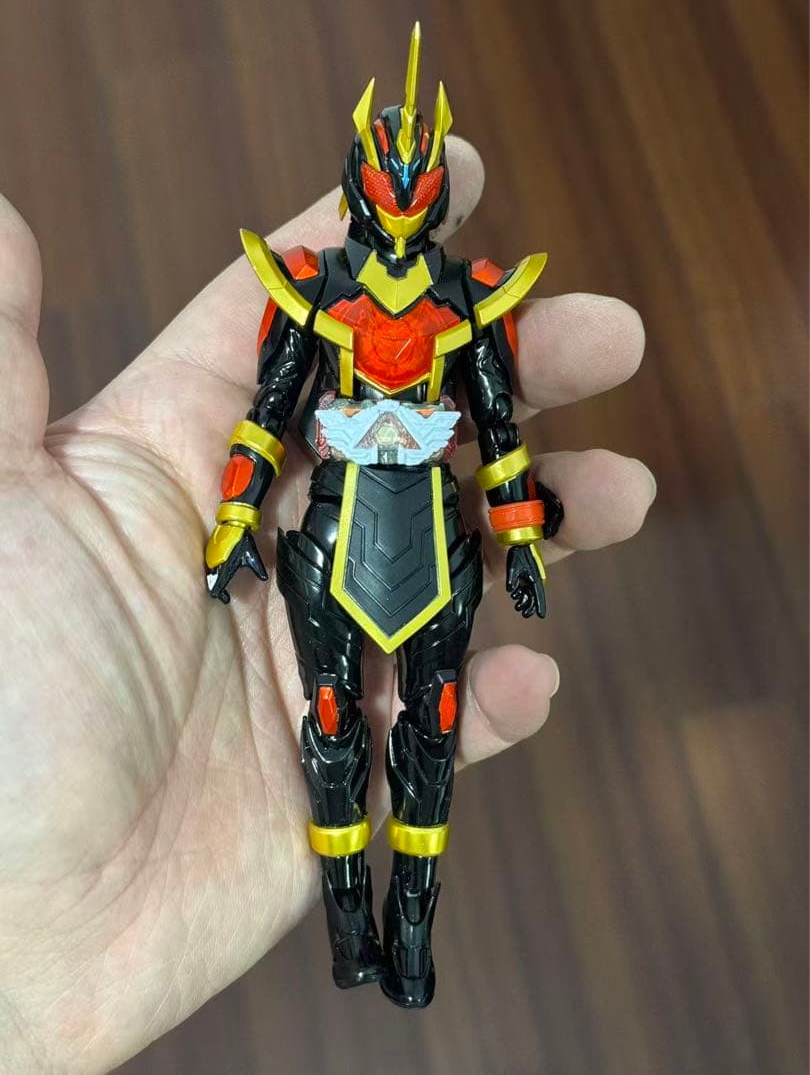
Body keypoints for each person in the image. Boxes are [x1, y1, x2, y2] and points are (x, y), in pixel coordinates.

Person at [0, 136, 654, 1070]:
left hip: (435, 524)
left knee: (435, 723)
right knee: (335, 722)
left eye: (417, 189)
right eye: (390, 186)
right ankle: (351, 924)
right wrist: (234, 518)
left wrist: (517, 537)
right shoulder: (314, 286)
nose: (401, 204)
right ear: (363, 187)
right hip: (335, 524)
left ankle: (412, 929)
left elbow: (498, 426)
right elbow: (268, 410)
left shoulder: (469, 297)